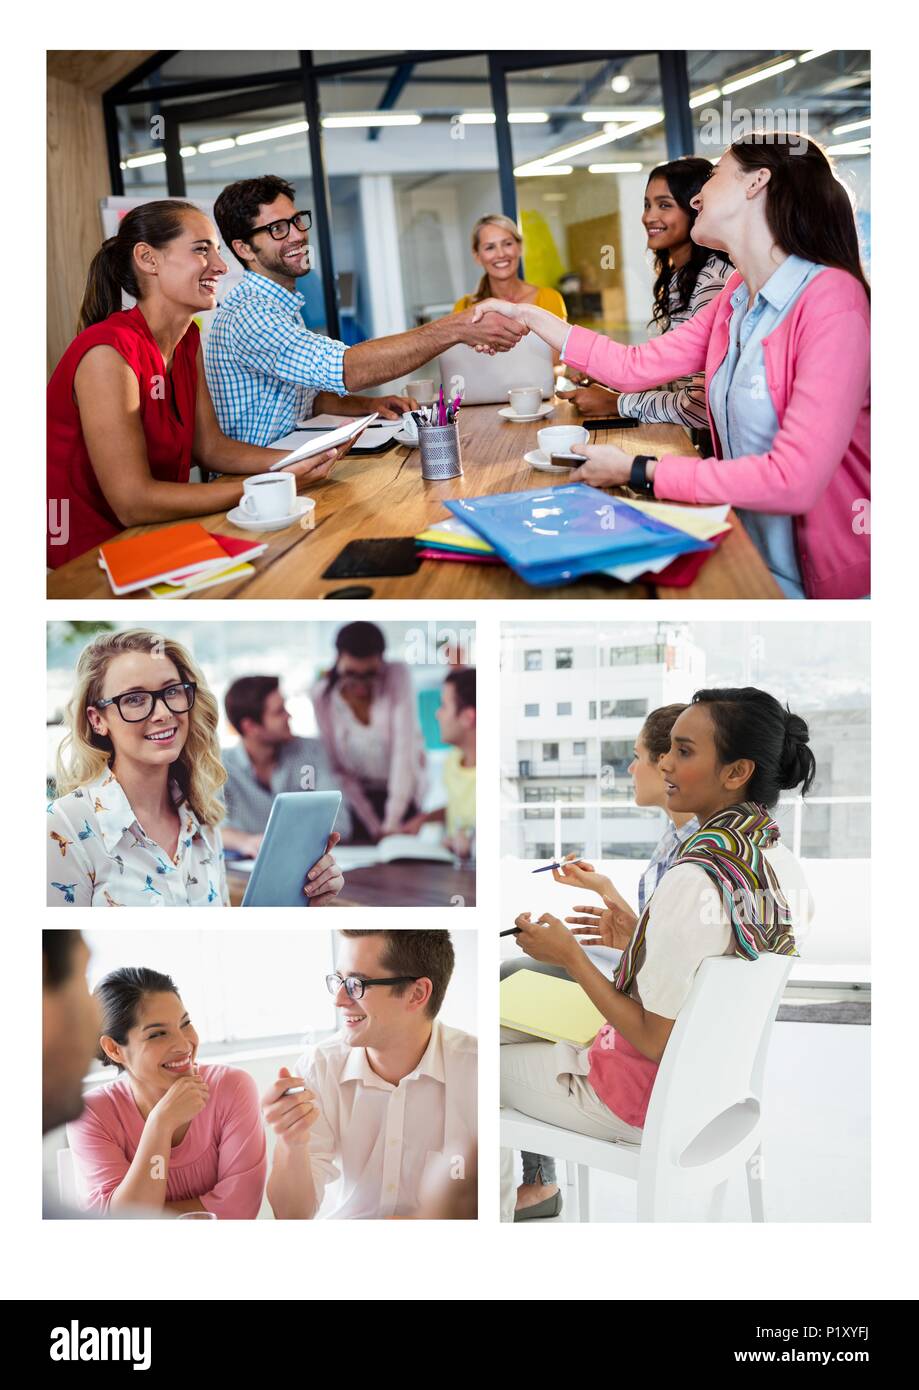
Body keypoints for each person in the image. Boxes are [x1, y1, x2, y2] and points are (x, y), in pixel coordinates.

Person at [473, 134, 871, 600]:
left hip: (829, 583)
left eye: (715, 177)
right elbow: (632, 365)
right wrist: (531, 316)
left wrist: (638, 470)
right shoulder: (736, 298)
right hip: (750, 554)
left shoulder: (831, 300)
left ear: (757, 183)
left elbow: (794, 480)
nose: (698, 196)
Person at [500, 686, 816, 1222]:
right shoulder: (779, 863)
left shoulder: (693, 877)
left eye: (684, 751)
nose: (665, 761)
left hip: (636, 1100)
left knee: (471, 1059)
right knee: (507, 1014)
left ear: (737, 772)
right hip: (712, 1091)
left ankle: (515, 1203)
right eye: (667, 748)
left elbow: (652, 1036)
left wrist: (571, 955)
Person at [46, 200, 351, 569]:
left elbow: (210, 447)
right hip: (82, 560)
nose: (221, 267)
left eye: (218, 252)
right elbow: (132, 503)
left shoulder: (187, 338)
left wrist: (299, 462)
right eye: (201, 250)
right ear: (148, 259)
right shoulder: (108, 353)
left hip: (149, 541)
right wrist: (268, 484)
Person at [506, 702, 699, 1221]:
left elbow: (656, 1009)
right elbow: (675, 963)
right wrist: (622, 919)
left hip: (630, 1080)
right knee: (511, 986)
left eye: (637, 756)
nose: (630, 768)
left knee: (491, 1022)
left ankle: (530, 1187)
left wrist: (570, 954)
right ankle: (535, 1180)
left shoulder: (694, 867)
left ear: (669, 764)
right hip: (649, 1057)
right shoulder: (699, 854)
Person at [206, 176, 528, 446]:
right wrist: (456, 327)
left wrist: (369, 405)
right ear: (244, 248)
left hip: (294, 465)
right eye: (278, 229)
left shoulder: (280, 305)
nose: (298, 234)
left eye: (296, 220)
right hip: (261, 487)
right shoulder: (252, 314)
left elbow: (302, 399)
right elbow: (347, 369)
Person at [47, 629, 343, 907]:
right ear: (97, 719)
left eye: (172, 691)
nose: (163, 713)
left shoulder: (203, 821)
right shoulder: (63, 826)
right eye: (135, 699)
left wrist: (302, 899)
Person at [261, 930, 476, 1219]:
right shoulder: (319, 1067)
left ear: (417, 993)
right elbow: (291, 1217)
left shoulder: (477, 1070)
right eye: (338, 980)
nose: (338, 999)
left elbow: (496, 1207)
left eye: (356, 984)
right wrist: (292, 1143)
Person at [66, 967, 267, 1218]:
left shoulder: (232, 1087)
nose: (184, 1045)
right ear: (114, 1049)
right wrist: (160, 1125)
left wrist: (147, 1213)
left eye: (185, 1024)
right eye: (158, 1034)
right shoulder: (91, 1114)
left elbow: (240, 1210)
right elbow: (124, 1226)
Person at [569, 159, 732, 444]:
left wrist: (616, 403)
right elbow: (677, 371)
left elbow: (704, 406)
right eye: (647, 205)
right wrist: (611, 375)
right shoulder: (680, 278)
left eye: (664, 205)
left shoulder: (712, 283)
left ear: (696, 208)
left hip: (711, 449)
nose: (649, 217)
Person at [311, 622, 426, 843]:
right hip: (357, 800)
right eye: (351, 673)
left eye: (370, 673)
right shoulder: (322, 696)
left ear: (382, 661)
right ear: (337, 659)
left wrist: (392, 821)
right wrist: (373, 825)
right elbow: (339, 769)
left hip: (402, 795)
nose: (361, 684)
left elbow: (404, 753)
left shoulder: (397, 675)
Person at [220, 675, 353, 857]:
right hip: (246, 870)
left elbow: (340, 823)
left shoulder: (311, 752)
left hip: (308, 864)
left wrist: (278, 841)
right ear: (250, 727)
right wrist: (246, 841)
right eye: (279, 712)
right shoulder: (220, 767)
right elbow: (209, 828)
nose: (289, 716)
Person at [400, 668, 476, 858]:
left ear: (468, 717)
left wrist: (470, 846)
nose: (437, 715)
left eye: (443, 706)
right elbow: (459, 810)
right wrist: (424, 819)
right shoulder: (452, 760)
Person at [453, 213, 567, 321]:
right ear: (477, 256)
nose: (501, 254)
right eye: (490, 247)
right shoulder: (464, 308)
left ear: (520, 247)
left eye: (507, 244)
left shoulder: (549, 299)